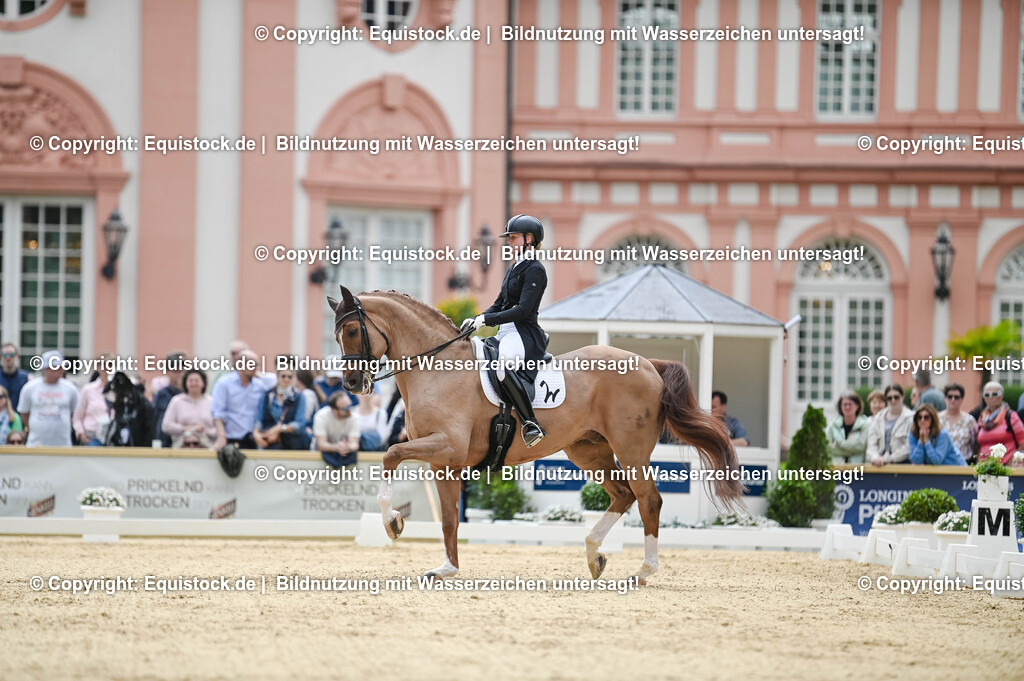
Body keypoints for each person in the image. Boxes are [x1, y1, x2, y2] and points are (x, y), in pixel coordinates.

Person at [462, 215, 550, 446]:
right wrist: (478, 318)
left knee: (501, 367)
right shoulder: (514, 268)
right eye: (509, 238)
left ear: (528, 239)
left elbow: (522, 310)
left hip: (523, 334)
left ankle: (531, 423)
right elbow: (499, 303)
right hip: (505, 331)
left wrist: (487, 320)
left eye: (513, 237)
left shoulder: (535, 270)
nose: (509, 242)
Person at [211, 350, 274, 450]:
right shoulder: (224, 383)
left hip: (253, 439)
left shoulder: (260, 385)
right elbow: (218, 413)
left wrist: (260, 376)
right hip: (230, 438)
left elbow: (277, 380)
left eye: (256, 364)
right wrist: (221, 437)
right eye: (252, 364)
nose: (255, 367)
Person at [17, 350, 79, 447]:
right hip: (36, 443)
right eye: (56, 367)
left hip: (63, 444)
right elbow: (24, 413)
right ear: (46, 369)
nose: (61, 370)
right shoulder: (30, 388)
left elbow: (75, 413)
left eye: (61, 367)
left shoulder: (71, 388)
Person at [253, 364, 310, 451]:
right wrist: (256, 433)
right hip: (270, 442)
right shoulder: (267, 395)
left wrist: (279, 429)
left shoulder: (299, 397)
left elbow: (300, 424)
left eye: (290, 377)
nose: (286, 379)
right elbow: (259, 418)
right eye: (283, 376)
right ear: (277, 377)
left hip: (291, 444)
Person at [161, 370, 216, 448]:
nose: (193, 383)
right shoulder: (176, 401)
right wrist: (187, 428)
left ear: (203, 383)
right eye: (190, 381)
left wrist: (207, 431)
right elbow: (166, 426)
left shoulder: (212, 401)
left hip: (208, 446)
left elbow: (220, 428)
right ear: (185, 383)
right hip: (181, 447)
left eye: (196, 380)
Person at [975, 381, 1024, 464]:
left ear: (1001, 396)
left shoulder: (1011, 416)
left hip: (1006, 467)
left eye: (994, 394)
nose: (991, 397)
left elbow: (1022, 442)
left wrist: (1015, 460)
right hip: (984, 467)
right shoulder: (982, 419)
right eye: (987, 395)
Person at [866, 384, 913, 466]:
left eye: (896, 397)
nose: (893, 400)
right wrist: (875, 457)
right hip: (879, 466)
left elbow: (909, 446)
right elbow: (871, 444)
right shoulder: (878, 418)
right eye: (889, 398)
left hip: (902, 466)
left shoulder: (910, 418)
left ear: (902, 397)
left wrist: (890, 458)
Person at [313, 391, 361, 467]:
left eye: (350, 406)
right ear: (334, 410)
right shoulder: (321, 416)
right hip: (321, 456)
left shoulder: (354, 417)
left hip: (345, 455)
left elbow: (355, 444)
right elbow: (321, 444)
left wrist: (346, 447)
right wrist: (337, 447)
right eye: (345, 408)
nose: (349, 410)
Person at [152, 351, 186, 447]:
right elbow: (156, 420)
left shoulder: (189, 394)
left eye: (182, 370)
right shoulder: (162, 394)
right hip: (164, 441)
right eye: (176, 371)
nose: (179, 374)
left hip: (185, 443)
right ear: (167, 371)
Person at [939, 382, 978, 464]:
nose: (953, 400)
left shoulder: (969, 420)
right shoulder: (937, 418)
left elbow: (975, 445)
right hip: (941, 464)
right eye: (950, 397)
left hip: (964, 464)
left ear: (961, 399)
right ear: (945, 398)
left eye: (956, 397)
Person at [827, 390, 869, 464]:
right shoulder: (833, 425)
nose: (847, 407)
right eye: (845, 404)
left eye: (850, 404)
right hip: (837, 470)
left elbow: (861, 447)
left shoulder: (865, 424)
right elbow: (828, 448)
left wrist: (839, 443)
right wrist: (853, 450)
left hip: (858, 471)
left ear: (857, 406)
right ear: (840, 407)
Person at [72, 367, 112, 446]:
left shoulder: (121, 390)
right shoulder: (88, 389)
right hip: (92, 437)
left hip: (114, 437)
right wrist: (81, 433)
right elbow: (77, 416)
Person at [0, 343, 30, 410]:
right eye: (5, 355)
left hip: (20, 418)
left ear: (17, 356)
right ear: (1, 356)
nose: (8, 358)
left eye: (11, 355)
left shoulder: (26, 378)